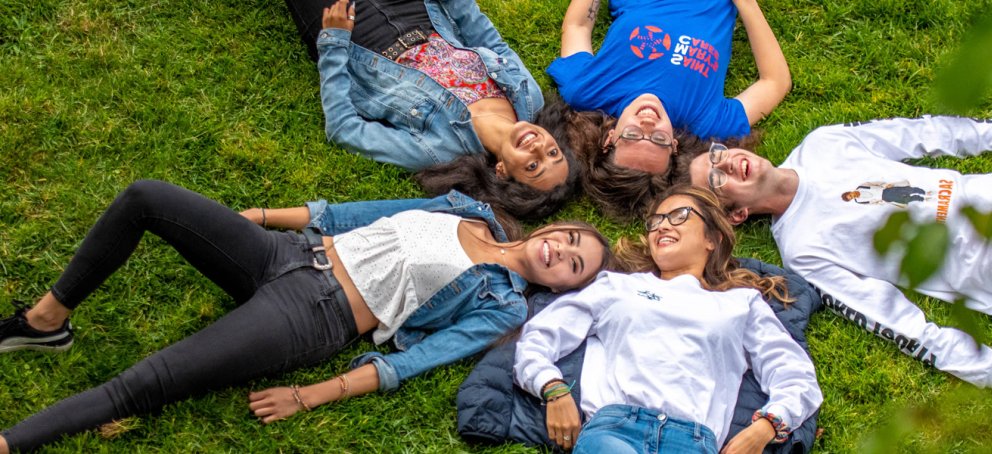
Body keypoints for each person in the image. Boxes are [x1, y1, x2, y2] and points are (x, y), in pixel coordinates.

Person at [0, 180, 611, 452]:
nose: (562, 254)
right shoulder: (467, 209)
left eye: (574, 268)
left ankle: (11, 443)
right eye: (571, 241)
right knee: (146, 197)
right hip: (288, 254)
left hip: (315, 315)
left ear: (563, 287)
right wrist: (261, 218)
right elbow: (350, 213)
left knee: (149, 382)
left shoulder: (501, 304)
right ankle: (47, 320)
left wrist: (312, 395)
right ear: (556, 227)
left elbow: (420, 358)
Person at [685, 116, 992, 387]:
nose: (725, 163)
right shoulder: (802, 250)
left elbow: (922, 133)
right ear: (737, 214)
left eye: (717, 154)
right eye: (716, 179)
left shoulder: (822, 143)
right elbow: (894, 321)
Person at [513, 185, 821, 453]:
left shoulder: (741, 305)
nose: (662, 226)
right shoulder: (617, 287)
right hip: (614, 430)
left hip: (694, 440)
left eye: (679, 216)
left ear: (711, 239)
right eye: (656, 221)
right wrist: (552, 388)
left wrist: (767, 425)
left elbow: (794, 374)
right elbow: (539, 336)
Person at [283, 0, 580, 219]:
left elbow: (344, 129)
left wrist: (333, 42)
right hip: (419, 11)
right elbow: (492, 43)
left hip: (357, 36)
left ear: (502, 172)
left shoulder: (438, 150)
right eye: (553, 153)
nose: (537, 147)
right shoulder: (530, 100)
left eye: (532, 166)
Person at [551, 0, 790, 178]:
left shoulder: (586, 90)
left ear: (610, 138)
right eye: (658, 139)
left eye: (632, 136)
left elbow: (578, 27)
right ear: (674, 146)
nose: (647, 125)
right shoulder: (706, 123)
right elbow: (775, 83)